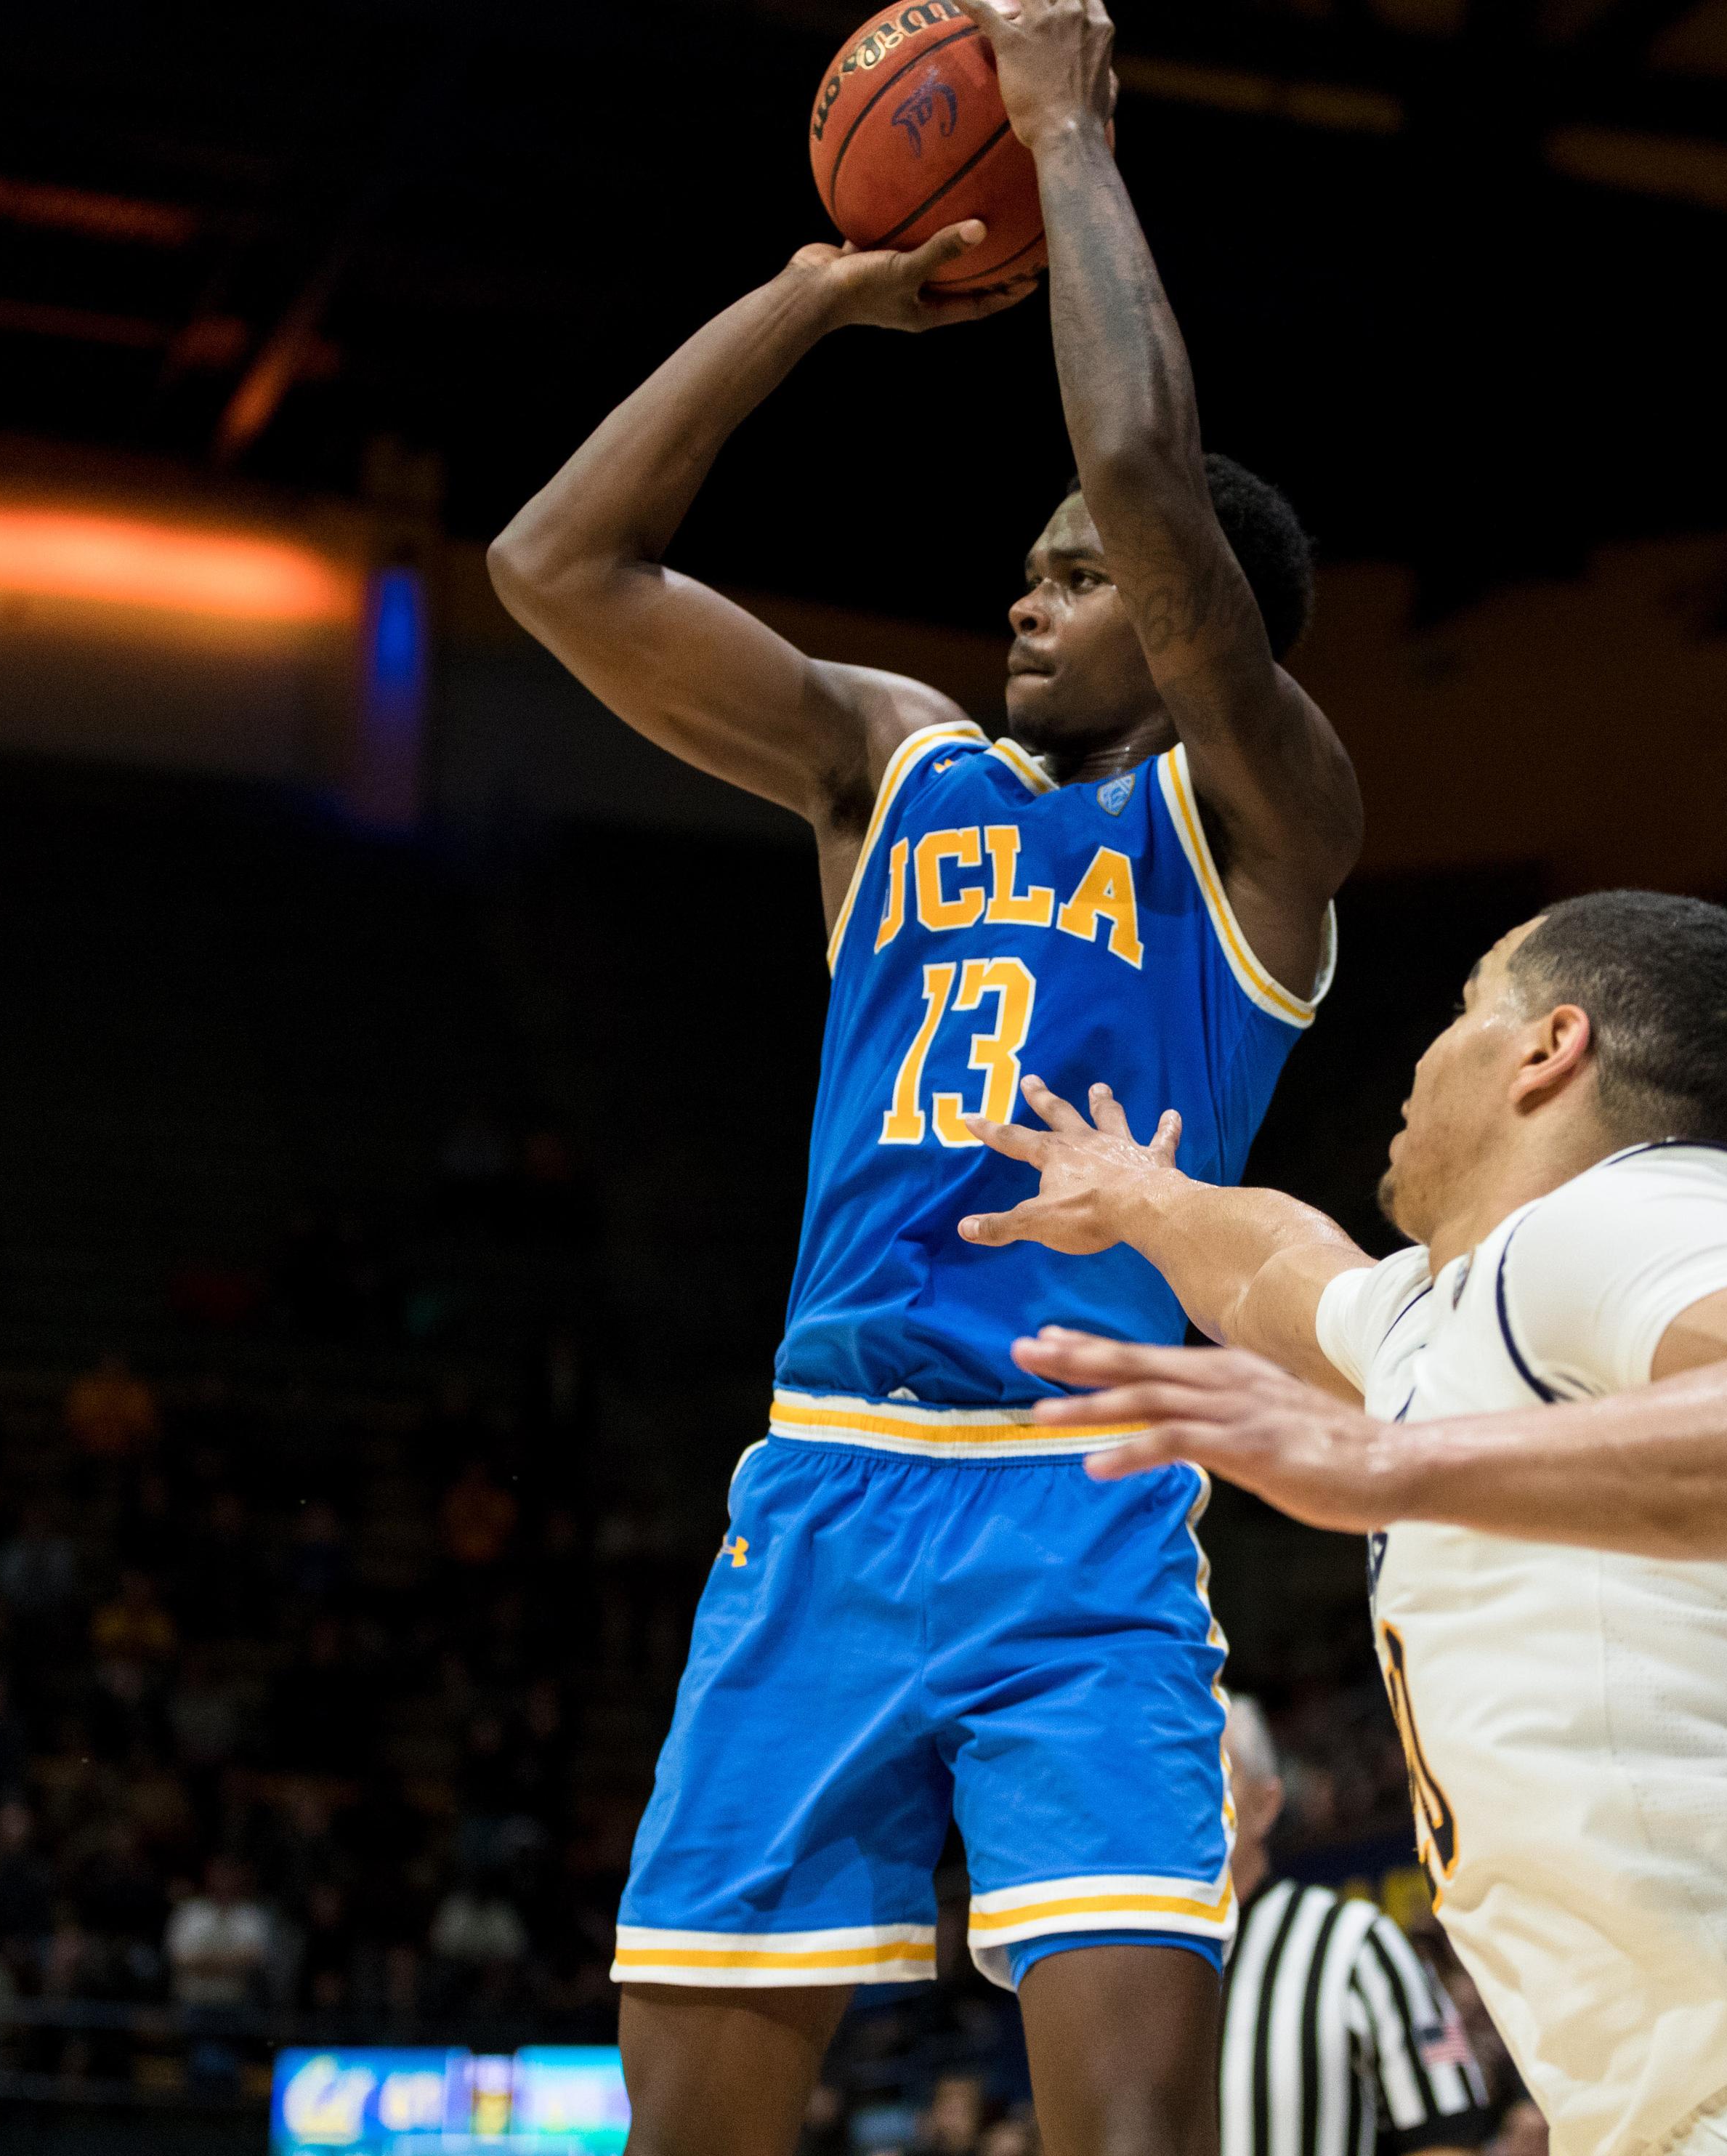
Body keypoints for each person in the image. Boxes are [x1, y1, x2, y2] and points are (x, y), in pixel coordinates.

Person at [488, 0, 1362, 2148]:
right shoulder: (890, 761)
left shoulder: (1263, 828)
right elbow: (551, 568)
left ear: (1194, 624)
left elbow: (1153, 480)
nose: (1024, 595)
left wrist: (1063, 133)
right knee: (690, 2113)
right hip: (825, 1483)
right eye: (1029, 565)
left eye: (1076, 577)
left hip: (1083, 1507)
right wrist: (800, 300)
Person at [957, 891, 1727, 2151]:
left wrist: (1391, 1464)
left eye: (1463, 1008)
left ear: (1549, 1046)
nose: (1422, 1048)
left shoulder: (1630, 1209)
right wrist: (1136, 1193)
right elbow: (1277, 1272)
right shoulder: (1453, 1312)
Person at [1215, 1700, 1486, 2156]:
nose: (1190, 1794)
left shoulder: (1358, 1943)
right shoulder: (1131, 1966)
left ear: (1266, 1804)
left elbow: (1445, 2140)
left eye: (1217, 1769)